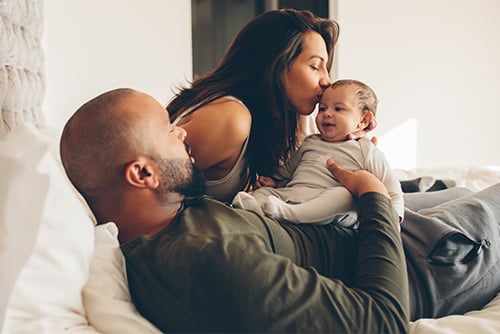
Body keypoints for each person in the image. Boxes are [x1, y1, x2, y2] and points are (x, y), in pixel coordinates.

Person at [61, 88, 500, 333]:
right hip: (419, 264)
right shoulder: (208, 262)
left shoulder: (171, 214)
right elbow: (382, 321)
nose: (183, 133)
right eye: (168, 130)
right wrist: (372, 198)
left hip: (362, 228)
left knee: (462, 188)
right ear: (142, 174)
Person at [166, 8, 376, 203]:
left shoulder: (275, 120)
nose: (326, 81)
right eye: (315, 66)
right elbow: (148, 190)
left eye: (326, 69)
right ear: (274, 64)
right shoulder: (230, 117)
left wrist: (348, 152)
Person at [232, 79, 404, 226]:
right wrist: (273, 182)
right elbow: (287, 171)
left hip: (330, 206)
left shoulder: (365, 149)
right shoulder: (310, 142)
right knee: (264, 193)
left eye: (338, 109)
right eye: (322, 109)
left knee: (345, 195)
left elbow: (391, 186)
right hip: (294, 195)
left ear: (363, 120)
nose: (327, 114)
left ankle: (289, 214)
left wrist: (394, 219)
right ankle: (255, 208)